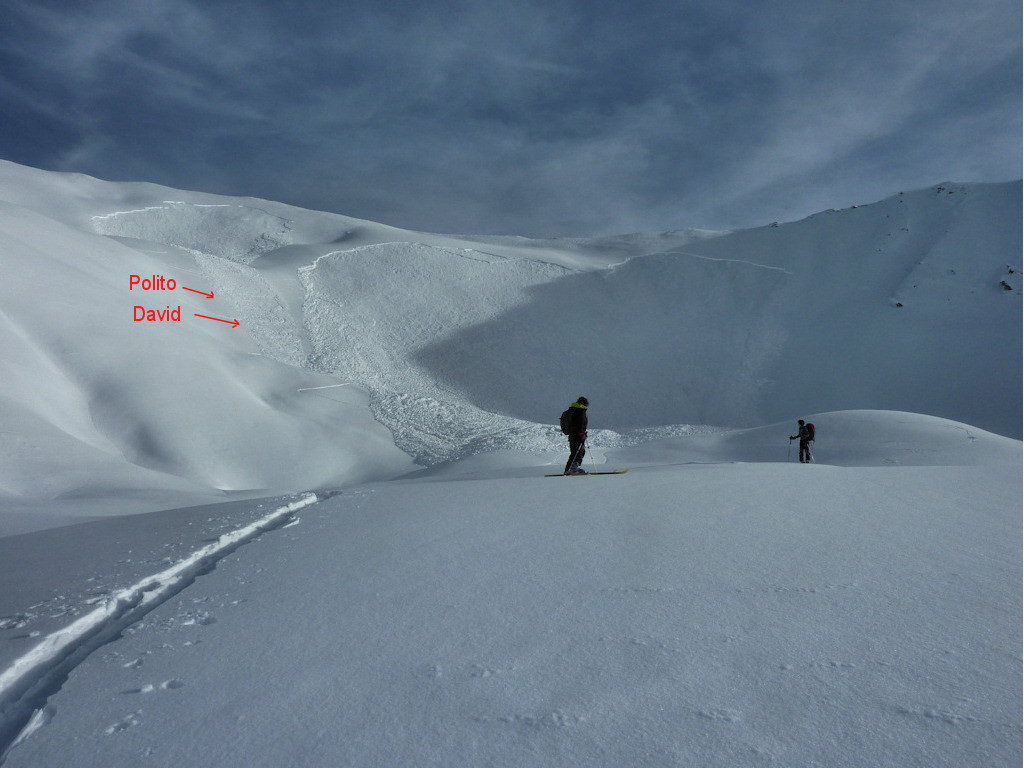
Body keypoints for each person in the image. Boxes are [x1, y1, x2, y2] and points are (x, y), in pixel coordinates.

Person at [563, 396, 589, 474]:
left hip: (572, 434)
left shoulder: (572, 410)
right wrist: (582, 434)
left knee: (574, 453)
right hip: (578, 435)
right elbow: (580, 424)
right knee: (580, 452)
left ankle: (568, 469)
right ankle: (574, 468)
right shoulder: (580, 411)